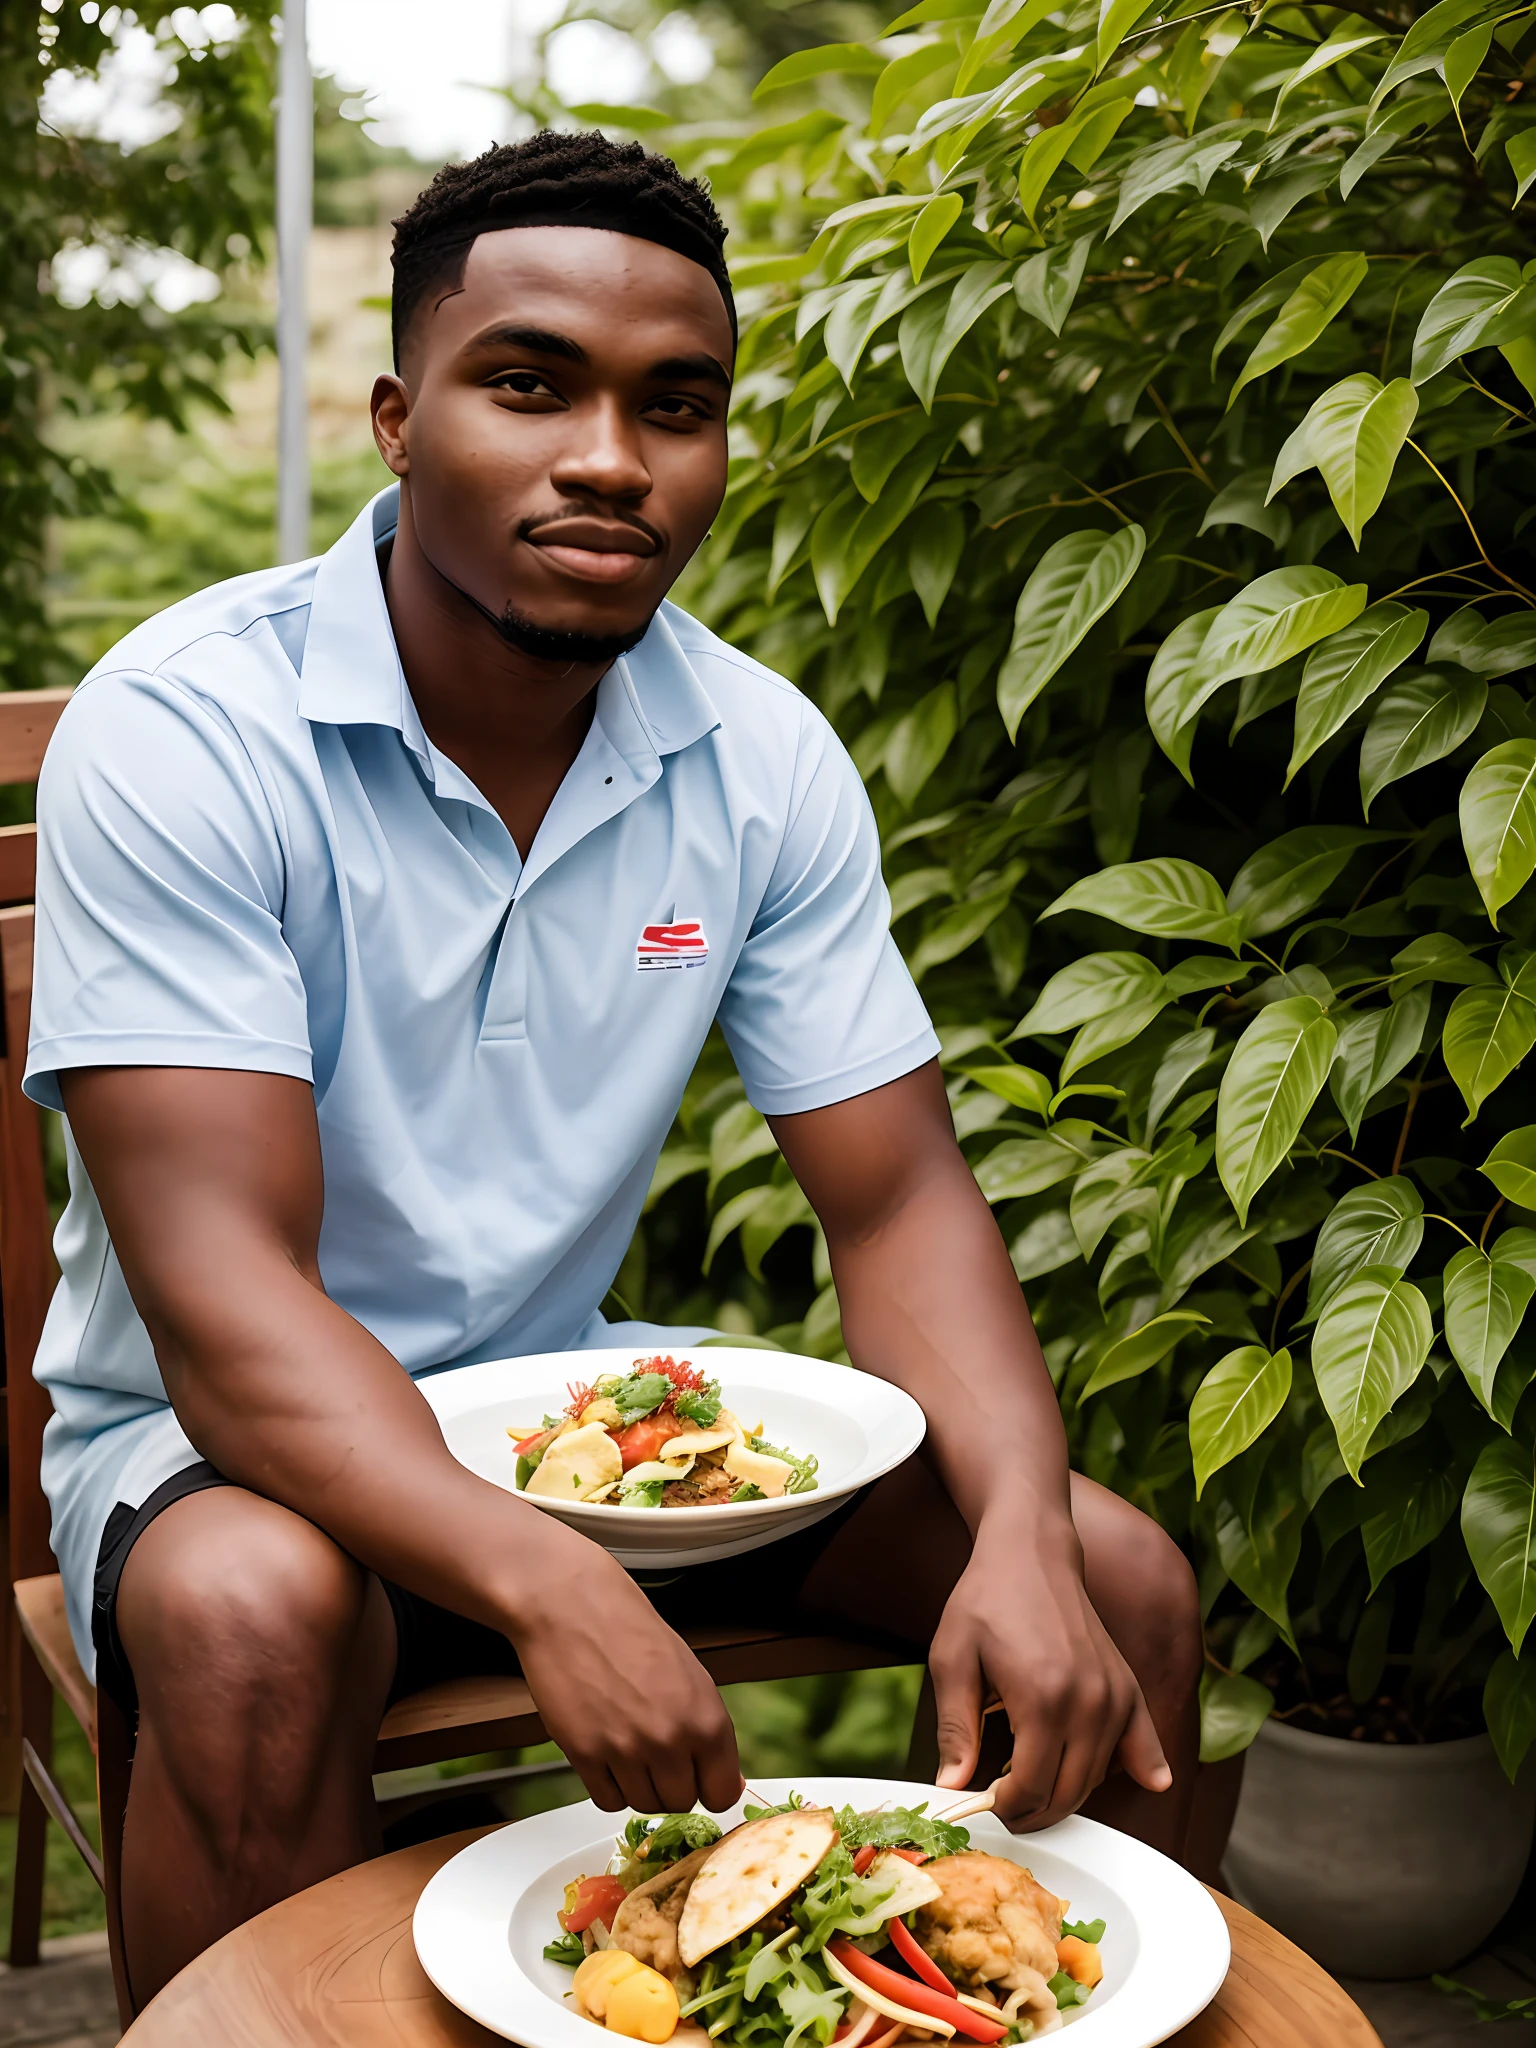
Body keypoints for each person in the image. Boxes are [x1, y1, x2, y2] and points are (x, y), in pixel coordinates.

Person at [26, 130, 1201, 2004]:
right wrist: (543, 1577)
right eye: (529, 383)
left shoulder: (756, 754)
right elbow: (228, 1308)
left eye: (679, 405)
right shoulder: (188, 730)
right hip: (220, 1460)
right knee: (252, 1614)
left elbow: (898, 1204)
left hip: (564, 1437)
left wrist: (1029, 1533)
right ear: (402, 421)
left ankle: (990, 2010)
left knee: (1112, 1578)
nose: (608, 457)